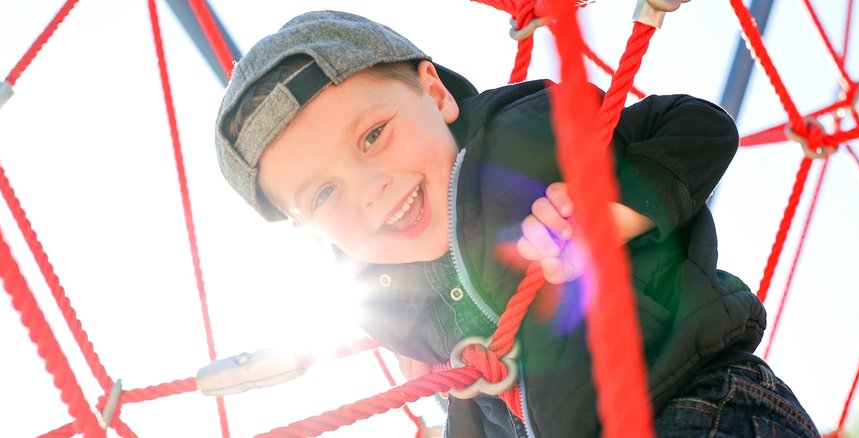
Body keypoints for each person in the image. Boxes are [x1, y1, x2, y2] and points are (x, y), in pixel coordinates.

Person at [213, 10, 818, 437]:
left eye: (373, 135)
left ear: (436, 94)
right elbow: (477, 403)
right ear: (305, 229)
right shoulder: (385, 299)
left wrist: (614, 217)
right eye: (323, 193)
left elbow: (698, 128)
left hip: (696, 401)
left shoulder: (522, 134)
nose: (371, 192)